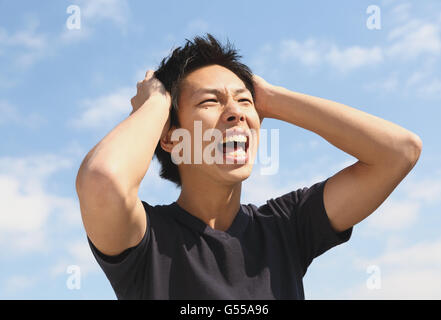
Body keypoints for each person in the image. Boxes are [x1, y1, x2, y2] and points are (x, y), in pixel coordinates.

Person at [75, 33, 422, 299]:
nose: (237, 112)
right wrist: (156, 103)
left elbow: (399, 152)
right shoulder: (147, 241)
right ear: (170, 137)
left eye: (244, 101)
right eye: (210, 101)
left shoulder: (285, 227)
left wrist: (271, 98)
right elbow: (103, 180)